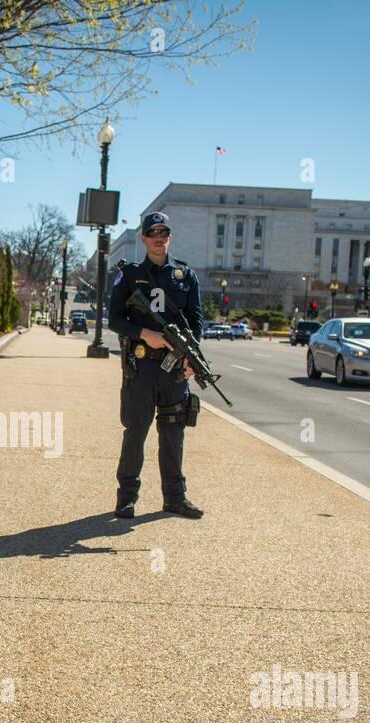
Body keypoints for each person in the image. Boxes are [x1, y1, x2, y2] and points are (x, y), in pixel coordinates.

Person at [106, 212, 204, 519]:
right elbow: (116, 319)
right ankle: (126, 497)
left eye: (164, 232)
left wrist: (191, 357)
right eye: (153, 232)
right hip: (142, 367)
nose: (159, 237)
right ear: (144, 238)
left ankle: (175, 498)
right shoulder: (131, 275)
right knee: (137, 431)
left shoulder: (185, 276)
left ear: (169, 237)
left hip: (174, 368)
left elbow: (195, 321)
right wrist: (143, 333)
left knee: (174, 432)